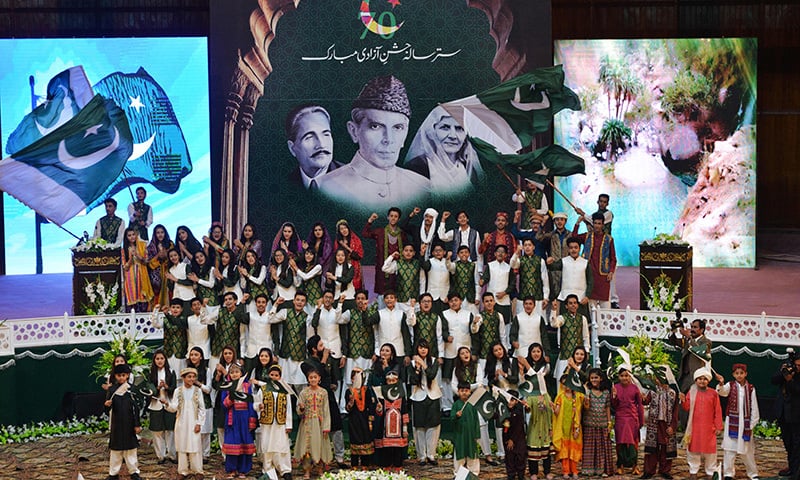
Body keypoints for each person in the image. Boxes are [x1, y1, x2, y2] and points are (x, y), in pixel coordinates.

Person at [314, 75, 430, 209]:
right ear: (353, 131)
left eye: (398, 128)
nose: (388, 139)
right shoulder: (325, 187)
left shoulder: (423, 188)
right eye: (376, 126)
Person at [404, 105, 483, 196]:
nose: (453, 136)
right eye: (445, 127)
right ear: (432, 131)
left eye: (459, 128)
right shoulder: (416, 167)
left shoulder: (471, 170)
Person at [716, 363, 760, 480]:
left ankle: (753, 473)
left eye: (741, 373)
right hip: (732, 422)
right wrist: (721, 383)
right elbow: (722, 392)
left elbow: (754, 406)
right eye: (737, 373)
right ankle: (728, 473)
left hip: (745, 423)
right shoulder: (730, 385)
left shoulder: (751, 388)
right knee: (729, 450)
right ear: (733, 375)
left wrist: (752, 423)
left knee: (747, 451)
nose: (739, 375)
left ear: (746, 374)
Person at [680, 367, 723, 480]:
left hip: (709, 428)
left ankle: (710, 471)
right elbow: (686, 407)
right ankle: (693, 471)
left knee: (710, 452)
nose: (702, 381)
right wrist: (683, 400)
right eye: (700, 379)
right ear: (695, 380)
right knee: (693, 450)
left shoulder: (713, 393)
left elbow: (717, 410)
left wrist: (718, 426)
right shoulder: (692, 392)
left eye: (705, 379)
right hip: (694, 428)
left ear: (708, 381)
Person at [162, 367, 205, 479]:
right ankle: (183, 471)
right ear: (183, 378)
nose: (191, 379)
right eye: (189, 377)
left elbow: (202, 408)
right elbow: (174, 407)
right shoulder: (178, 391)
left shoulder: (198, 391)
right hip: (181, 422)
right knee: (182, 446)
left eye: (193, 377)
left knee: (194, 446)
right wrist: (167, 404)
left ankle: (197, 470)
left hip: (194, 422)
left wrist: (199, 423)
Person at [285, 104, 341, 188]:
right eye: (309, 137)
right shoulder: (284, 185)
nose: (321, 145)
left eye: (326, 135)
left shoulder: (354, 182)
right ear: (292, 148)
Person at [441, 294, 480, 411]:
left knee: (465, 377)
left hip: (465, 350)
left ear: (461, 301)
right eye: (451, 301)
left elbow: (474, 332)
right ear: (448, 302)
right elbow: (441, 330)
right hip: (450, 350)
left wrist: (474, 351)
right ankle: (447, 405)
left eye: (456, 300)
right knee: (447, 378)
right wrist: (446, 336)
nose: (454, 303)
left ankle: (468, 404)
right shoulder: (444, 314)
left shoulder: (468, 314)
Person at [104, 363, 143, 480]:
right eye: (119, 375)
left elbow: (136, 408)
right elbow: (107, 410)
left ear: (127, 375)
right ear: (115, 376)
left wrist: (137, 424)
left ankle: (134, 472)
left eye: (123, 375)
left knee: (131, 450)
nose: (121, 377)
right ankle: (113, 473)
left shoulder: (132, 389)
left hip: (129, 424)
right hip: (117, 424)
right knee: (116, 450)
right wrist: (106, 406)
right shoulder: (112, 390)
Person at [407, 339, 442, 466]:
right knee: (419, 427)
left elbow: (431, 375)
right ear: (417, 349)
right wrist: (417, 368)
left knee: (433, 427)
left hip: (433, 395)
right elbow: (412, 381)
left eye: (425, 347)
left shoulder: (434, 361)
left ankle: (431, 455)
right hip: (418, 396)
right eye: (420, 347)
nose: (423, 350)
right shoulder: (411, 363)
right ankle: (421, 456)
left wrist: (423, 364)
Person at [571, 212, 616, 310]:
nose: (597, 226)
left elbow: (613, 258)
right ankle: (593, 325)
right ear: (592, 224)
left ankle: (604, 325)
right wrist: (577, 224)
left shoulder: (609, 239)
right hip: (588, 275)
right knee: (591, 306)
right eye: (595, 223)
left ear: (603, 225)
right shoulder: (587, 236)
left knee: (605, 307)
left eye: (599, 223)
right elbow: (573, 238)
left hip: (603, 276)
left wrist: (611, 271)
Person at [220, 362, 257, 477]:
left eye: (237, 372)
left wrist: (252, 419)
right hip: (233, 418)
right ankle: (231, 469)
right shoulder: (226, 386)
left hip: (245, 418)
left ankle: (243, 469)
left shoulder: (247, 386)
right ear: (229, 374)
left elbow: (251, 403)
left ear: (241, 373)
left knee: (245, 443)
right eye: (232, 372)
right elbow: (224, 405)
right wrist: (231, 396)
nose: (235, 374)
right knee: (233, 443)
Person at [294, 368, 332, 480]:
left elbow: (326, 410)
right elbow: (299, 409)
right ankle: (307, 471)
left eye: (315, 377)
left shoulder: (323, 392)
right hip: (307, 423)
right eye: (311, 377)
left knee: (319, 446)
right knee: (306, 447)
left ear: (319, 378)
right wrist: (301, 408)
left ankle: (320, 469)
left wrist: (326, 426)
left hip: (319, 423)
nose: (313, 379)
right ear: (308, 379)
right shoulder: (303, 392)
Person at [642, 371, 679, 480]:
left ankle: (665, 470)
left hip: (667, 424)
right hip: (654, 423)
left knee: (666, 448)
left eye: (661, 378)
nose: (658, 380)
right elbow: (644, 402)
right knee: (652, 448)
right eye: (657, 378)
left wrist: (673, 426)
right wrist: (642, 397)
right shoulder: (652, 391)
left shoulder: (673, 393)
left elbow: (675, 412)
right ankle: (649, 470)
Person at [270, 293, 310, 390]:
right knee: (284, 385)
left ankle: (300, 405)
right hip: (285, 355)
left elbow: (308, 337)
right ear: (294, 301)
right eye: (298, 300)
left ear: (305, 303)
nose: (299, 302)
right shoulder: (285, 312)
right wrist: (275, 305)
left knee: (300, 386)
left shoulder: (308, 317)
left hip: (300, 356)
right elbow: (270, 319)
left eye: (302, 300)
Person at [362, 208, 406, 297]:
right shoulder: (380, 232)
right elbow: (365, 233)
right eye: (391, 216)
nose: (393, 218)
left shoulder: (401, 234)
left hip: (396, 267)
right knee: (382, 293)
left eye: (396, 216)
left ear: (399, 219)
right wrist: (370, 221)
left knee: (395, 291)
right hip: (382, 267)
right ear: (388, 217)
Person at [547, 237, 593, 321]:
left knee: (581, 324)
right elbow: (553, 267)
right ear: (568, 249)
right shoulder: (563, 261)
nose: (573, 250)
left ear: (579, 249)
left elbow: (590, 281)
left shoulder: (585, 263)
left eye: (576, 247)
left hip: (581, 299)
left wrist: (587, 296)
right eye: (571, 248)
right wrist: (549, 263)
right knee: (564, 322)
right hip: (565, 298)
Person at [524, 359, 554, 480]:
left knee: (546, 454)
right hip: (535, 428)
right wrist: (526, 407)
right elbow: (528, 409)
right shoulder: (531, 396)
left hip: (546, 427)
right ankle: (533, 473)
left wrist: (551, 427)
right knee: (533, 454)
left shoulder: (547, 396)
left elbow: (551, 412)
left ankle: (547, 472)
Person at [581, 368, 614, 478]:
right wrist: (585, 391)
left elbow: (607, 408)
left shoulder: (606, 392)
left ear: (601, 378)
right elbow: (586, 407)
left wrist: (609, 422)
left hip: (603, 424)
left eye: (596, 377)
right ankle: (589, 469)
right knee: (590, 448)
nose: (594, 380)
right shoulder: (588, 392)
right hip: (589, 424)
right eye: (592, 378)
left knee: (602, 449)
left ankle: (602, 469)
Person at [772, 352, 800, 478]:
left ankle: (796, 471)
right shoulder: (789, 369)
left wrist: (790, 381)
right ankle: (792, 466)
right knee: (788, 442)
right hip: (784, 413)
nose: (798, 367)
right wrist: (783, 372)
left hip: (797, 414)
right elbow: (773, 380)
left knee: (797, 444)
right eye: (797, 364)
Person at [374, 370, 409, 468]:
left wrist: (405, 428)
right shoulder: (381, 395)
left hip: (398, 427)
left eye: (393, 381)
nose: (391, 383)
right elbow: (379, 413)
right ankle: (387, 464)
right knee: (387, 448)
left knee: (398, 448)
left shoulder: (401, 395)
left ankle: (398, 465)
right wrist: (379, 409)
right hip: (385, 427)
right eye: (389, 381)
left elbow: (404, 412)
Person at [612, 368, 644, 475]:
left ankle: (634, 466)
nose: (624, 378)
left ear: (630, 376)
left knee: (633, 442)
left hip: (632, 418)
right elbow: (613, 405)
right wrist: (614, 397)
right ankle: (620, 465)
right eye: (622, 376)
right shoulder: (615, 387)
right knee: (620, 442)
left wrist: (641, 420)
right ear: (618, 377)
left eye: (626, 375)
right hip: (620, 417)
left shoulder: (635, 388)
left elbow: (640, 405)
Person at [551, 295, 590, 382]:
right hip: (565, 356)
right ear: (566, 306)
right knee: (562, 383)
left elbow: (586, 336)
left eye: (575, 303)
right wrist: (553, 310)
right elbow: (554, 324)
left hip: (578, 358)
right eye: (570, 303)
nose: (573, 305)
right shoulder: (562, 318)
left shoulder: (583, 319)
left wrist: (586, 351)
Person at [147, 349, 177, 465]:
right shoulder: (151, 374)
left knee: (170, 430)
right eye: (157, 359)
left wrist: (167, 386)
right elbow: (149, 388)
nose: (160, 361)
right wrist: (157, 388)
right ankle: (161, 455)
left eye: (162, 358)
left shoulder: (171, 371)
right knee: (157, 431)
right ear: (154, 360)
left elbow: (174, 388)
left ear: (165, 359)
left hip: (168, 403)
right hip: (156, 404)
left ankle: (172, 455)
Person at [553, 372, 585, 479]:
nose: (567, 387)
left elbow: (581, 411)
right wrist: (554, 408)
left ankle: (574, 470)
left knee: (573, 449)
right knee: (565, 450)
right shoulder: (560, 397)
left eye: (568, 384)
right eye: (564, 385)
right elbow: (557, 412)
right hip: (563, 428)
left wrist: (576, 429)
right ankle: (565, 471)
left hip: (574, 426)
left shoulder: (578, 396)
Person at [184, 346, 214, 459]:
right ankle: (194, 452)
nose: (193, 357)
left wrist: (197, 383)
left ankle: (205, 454)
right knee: (193, 430)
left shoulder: (206, 370)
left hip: (205, 403)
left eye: (196, 355)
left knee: (205, 431)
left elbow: (208, 389)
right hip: (191, 404)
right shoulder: (187, 370)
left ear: (201, 357)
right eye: (191, 355)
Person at [669, 319, 713, 393]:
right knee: (684, 401)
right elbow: (674, 341)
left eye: (695, 327)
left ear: (702, 330)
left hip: (697, 377)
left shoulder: (707, 341)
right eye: (691, 327)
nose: (692, 329)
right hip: (685, 377)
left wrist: (688, 336)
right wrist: (673, 330)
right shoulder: (688, 340)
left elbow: (700, 351)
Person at [345, 367, 376, 469]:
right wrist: (351, 402)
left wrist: (370, 420)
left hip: (364, 419)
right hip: (354, 420)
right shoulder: (349, 391)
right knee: (355, 441)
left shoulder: (367, 390)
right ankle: (354, 464)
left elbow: (370, 406)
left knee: (365, 440)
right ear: (352, 379)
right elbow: (348, 409)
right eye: (355, 378)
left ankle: (365, 464)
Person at [509, 238, 549, 317]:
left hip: (537, 297)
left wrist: (546, 297)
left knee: (538, 322)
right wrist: (517, 252)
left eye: (529, 245)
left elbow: (545, 280)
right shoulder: (520, 260)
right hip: (523, 297)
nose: (527, 247)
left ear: (533, 247)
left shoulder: (540, 261)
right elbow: (512, 265)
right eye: (525, 245)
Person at [374, 290, 415, 363]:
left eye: (391, 298)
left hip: (399, 351)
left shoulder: (401, 314)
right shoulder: (379, 313)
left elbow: (406, 335)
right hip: (383, 351)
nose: (389, 300)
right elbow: (369, 323)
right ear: (384, 300)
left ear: (396, 300)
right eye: (387, 298)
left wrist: (408, 354)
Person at [210, 292, 248, 369]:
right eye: (226, 300)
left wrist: (242, 356)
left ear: (235, 301)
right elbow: (206, 320)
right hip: (217, 351)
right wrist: (203, 308)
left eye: (230, 299)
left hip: (232, 353)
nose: (228, 301)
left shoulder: (240, 315)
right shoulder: (220, 311)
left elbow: (242, 337)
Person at [452, 382, 481, 476]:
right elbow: (452, 418)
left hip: (471, 434)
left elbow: (476, 420)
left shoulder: (472, 405)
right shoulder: (456, 405)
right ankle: (458, 473)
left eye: (466, 390)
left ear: (470, 392)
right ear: (458, 392)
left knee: (472, 453)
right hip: (460, 434)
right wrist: (456, 416)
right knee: (459, 453)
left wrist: (477, 434)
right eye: (462, 391)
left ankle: (474, 473)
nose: (464, 393)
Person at [480, 245, 515, 324]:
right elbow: (485, 278)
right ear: (495, 254)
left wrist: (505, 292)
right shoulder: (490, 266)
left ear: (506, 255)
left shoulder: (508, 268)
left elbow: (512, 284)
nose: (500, 254)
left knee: (505, 324)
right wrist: (482, 281)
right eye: (498, 252)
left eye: (503, 252)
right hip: (492, 301)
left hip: (504, 300)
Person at [151, 299, 188, 374]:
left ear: (181, 309)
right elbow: (155, 324)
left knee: (181, 374)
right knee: (169, 374)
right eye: (173, 307)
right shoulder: (165, 320)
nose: (175, 309)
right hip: (168, 352)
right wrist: (156, 310)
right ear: (170, 308)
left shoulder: (184, 320)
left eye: (178, 307)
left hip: (180, 353)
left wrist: (167, 314)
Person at [121, 227, 153, 312]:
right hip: (130, 277)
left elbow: (146, 261)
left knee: (142, 297)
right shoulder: (124, 249)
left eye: (133, 234)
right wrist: (131, 258)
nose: (132, 237)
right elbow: (125, 267)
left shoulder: (142, 246)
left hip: (141, 275)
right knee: (132, 298)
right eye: (129, 235)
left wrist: (138, 255)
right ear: (126, 237)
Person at [244, 295, 276, 373]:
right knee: (247, 375)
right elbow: (238, 316)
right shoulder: (250, 315)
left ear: (266, 304)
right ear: (255, 303)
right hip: (251, 351)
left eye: (263, 302)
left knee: (264, 375)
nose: (261, 304)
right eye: (258, 302)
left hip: (266, 351)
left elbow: (276, 336)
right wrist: (242, 302)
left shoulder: (270, 316)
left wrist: (275, 354)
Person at [146, 224, 174, 308]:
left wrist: (165, 253)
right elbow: (150, 264)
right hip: (156, 274)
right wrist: (158, 255)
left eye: (162, 232)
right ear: (155, 234)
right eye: (158, 233)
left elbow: (173, 257)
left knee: (169, 292)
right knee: (156, 294)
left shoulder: (170, 244)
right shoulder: (151, 246)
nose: (160, 234)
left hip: (168, 271)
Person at [503, 390, 528, 480]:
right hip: (507, 439)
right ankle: (511, 475)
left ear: (517, 401)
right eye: (508, 400)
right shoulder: (504, 411)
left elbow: (518, 427)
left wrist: (512, 440)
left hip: (518, 439)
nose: (510, 402)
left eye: (512, 400)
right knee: (509, 459)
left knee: (520, 458)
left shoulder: (519, 411)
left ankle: (521, 476)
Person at [422, 243, 454, 313]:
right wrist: (422, 254)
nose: (438, 252)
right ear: (433, 253)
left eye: (440, 250)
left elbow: (452, 280)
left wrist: (449, 295)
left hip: (445, 295)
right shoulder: (430, 262)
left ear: (444, 252)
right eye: (436, 251)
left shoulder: (448, 262)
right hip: (432, 295)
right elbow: (424, 266)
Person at [333, 219, 364, 290]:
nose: (344, 230)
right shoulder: (337, 242)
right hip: (341, 266)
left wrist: (345, 246)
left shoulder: (356, 240)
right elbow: (335, 255)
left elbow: (359, 256)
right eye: (341, 229)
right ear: (339, 231)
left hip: (354, 266)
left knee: (355, 288)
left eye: (345, 228)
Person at [450, 245, 481, 315]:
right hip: (459, 297)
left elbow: (477, 282)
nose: (464, 254)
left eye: (466, 252)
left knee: (473, 317)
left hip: (471, 297)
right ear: (458, 254)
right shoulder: (455, 265)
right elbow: (449, 267)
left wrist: (477, 297)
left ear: (469, 254)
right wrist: (448, 259)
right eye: (461, 252)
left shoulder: (473, 265)